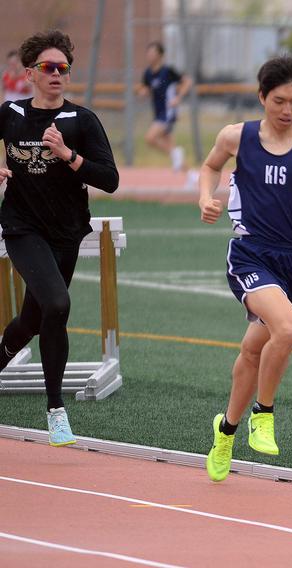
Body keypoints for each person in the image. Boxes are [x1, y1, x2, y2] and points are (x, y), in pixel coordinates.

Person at [199, 55, 292, 482]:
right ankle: (262, 414)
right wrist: (205, 198)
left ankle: (224, 430)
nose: (287, 111)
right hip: (250, 253)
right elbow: (209, 166)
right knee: (289, 330)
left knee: (251, 351)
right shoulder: (237, 136)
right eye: (279, 101)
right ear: (261, 96)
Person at [0, 30, 119, 446]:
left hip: (66, 231)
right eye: (48, 68)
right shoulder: (10, 112)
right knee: (57, 303)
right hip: (22, 227)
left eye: (63, 68)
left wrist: (68, 155)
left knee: (33, 320)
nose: (56, 74)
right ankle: (56, 411)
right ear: (29, 72)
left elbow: (110, 179)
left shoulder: (81, 120)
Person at [138, 41, 192, 171]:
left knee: (150, 138)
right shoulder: (148, 73)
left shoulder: (168, 71)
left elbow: (187, 81)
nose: (149, 55)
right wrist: (144, 92)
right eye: (148, 53)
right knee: (170, 147)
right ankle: (191, 176)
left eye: (153, 53)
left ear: (160, 55)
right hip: (157, 112)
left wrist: (178, 98)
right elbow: (146, 88)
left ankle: (176, 154)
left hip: (168, 112)